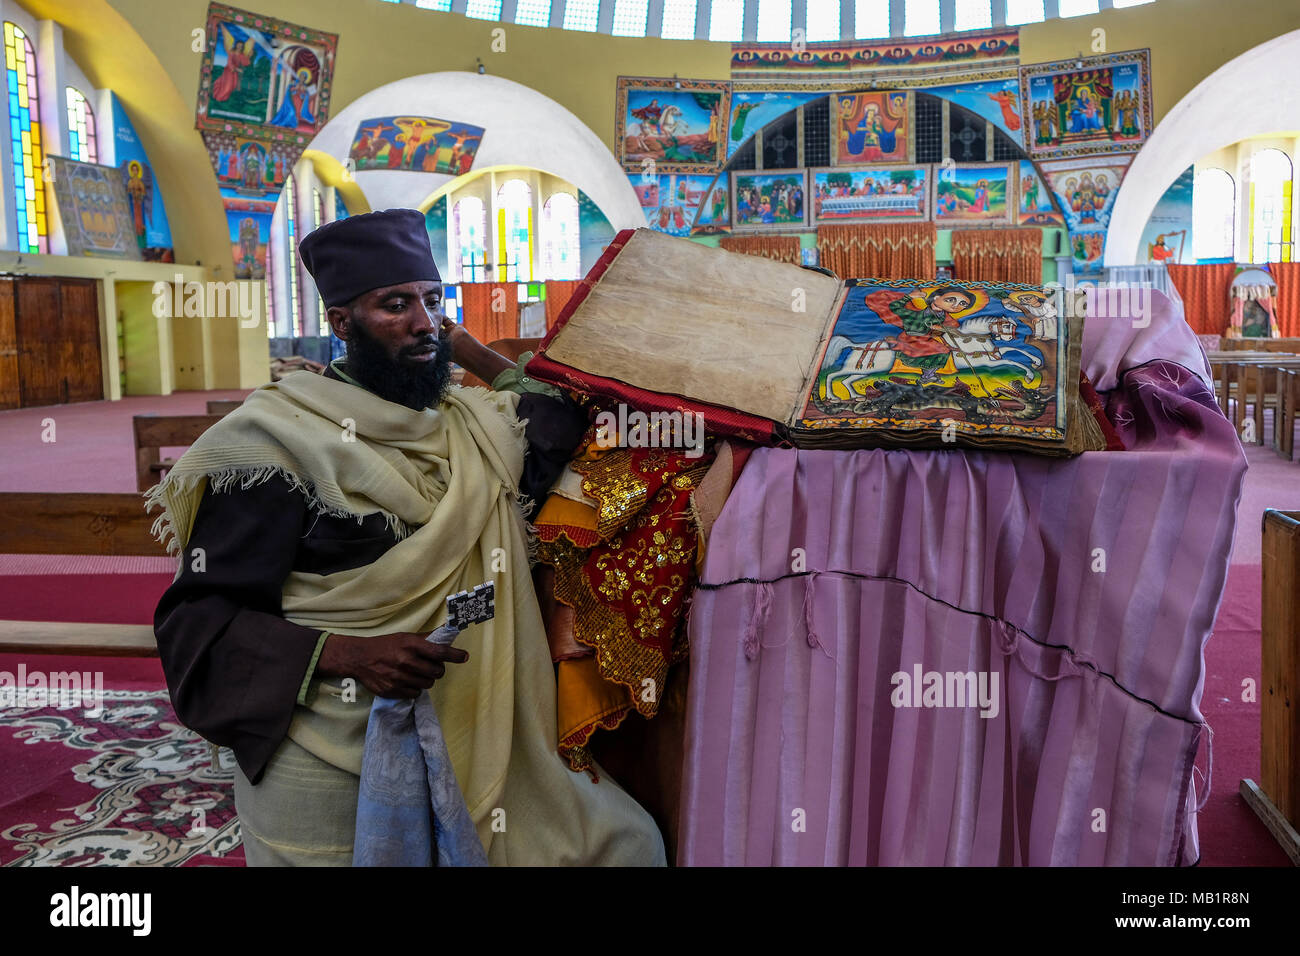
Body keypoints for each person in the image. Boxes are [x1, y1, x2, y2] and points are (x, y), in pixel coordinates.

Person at [150, 208, 665, 867]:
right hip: (331, 732)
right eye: (396, 305)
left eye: (433, 301)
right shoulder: (275, 445)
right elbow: (198, 623)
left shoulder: (473, 426)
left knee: (628, 847)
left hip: (487, 733)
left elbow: (562, 408)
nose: (423, 323)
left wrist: (467, 346)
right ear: (341, 323)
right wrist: (342, 654)